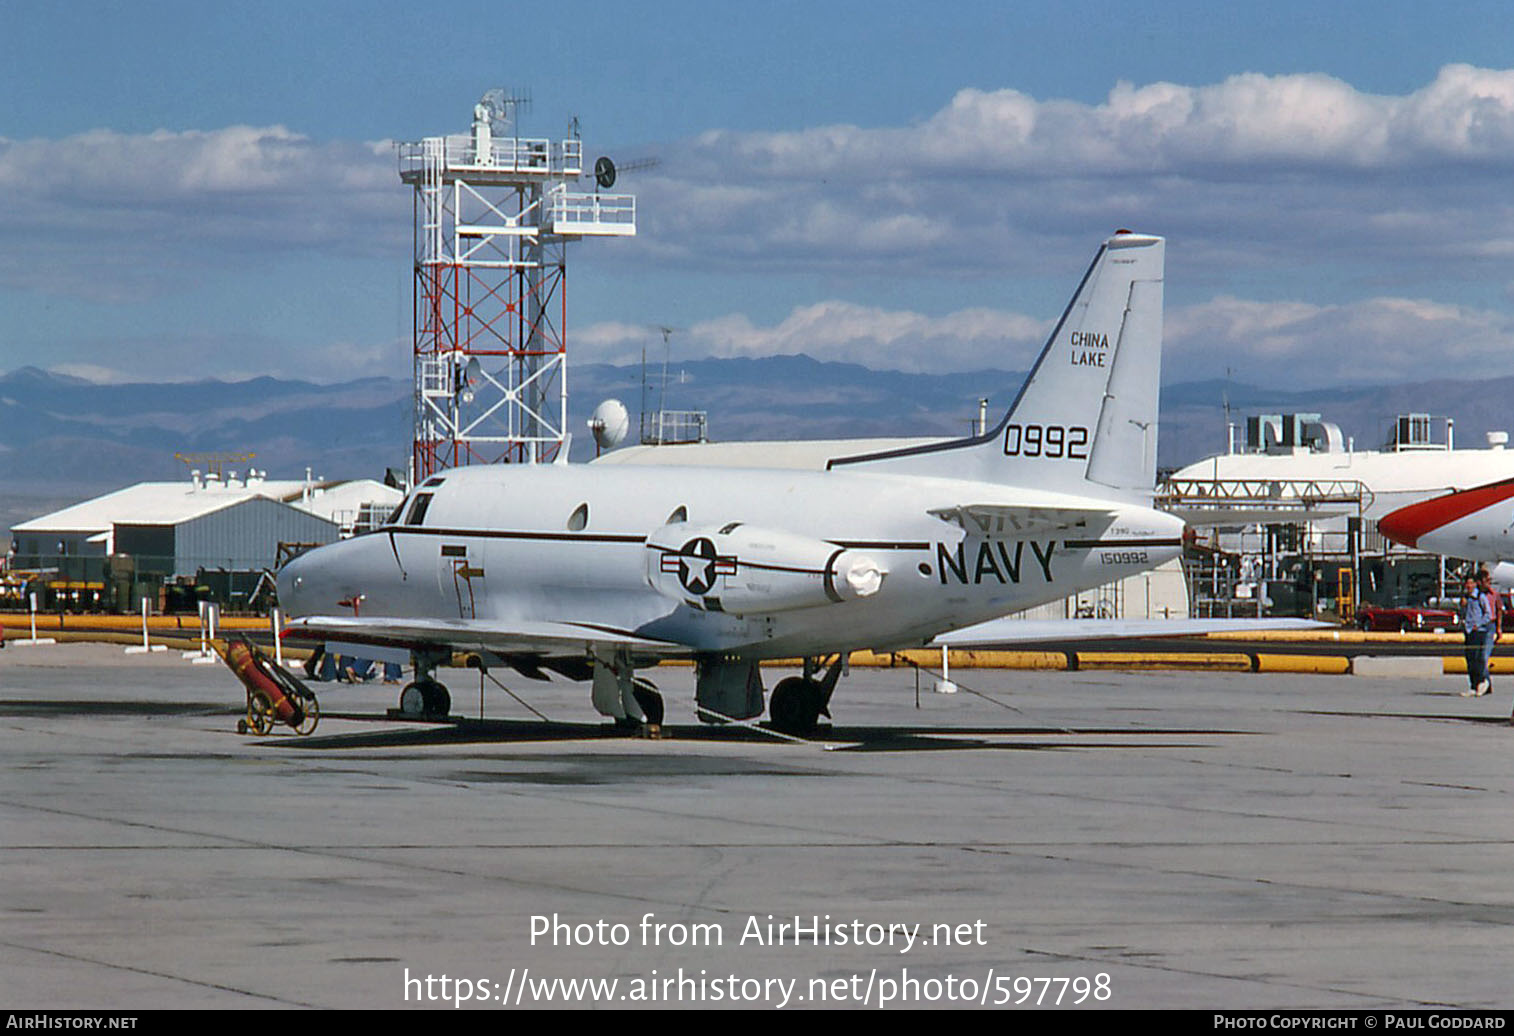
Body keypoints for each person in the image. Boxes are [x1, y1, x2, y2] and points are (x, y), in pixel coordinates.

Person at [1461, 574, 1497, 697]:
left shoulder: (1480, 597)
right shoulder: (1467, 598)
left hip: (1479, 631)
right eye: (1467, 583)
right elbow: (1464, 613)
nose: (1469, 586)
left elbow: (1488, 614)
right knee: (1470, 659)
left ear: (1475, 584)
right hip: (1469, 631)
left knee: (1478, 659)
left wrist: (1479, 624)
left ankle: (1481, 682)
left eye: (1471, 583)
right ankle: (1472, 685)